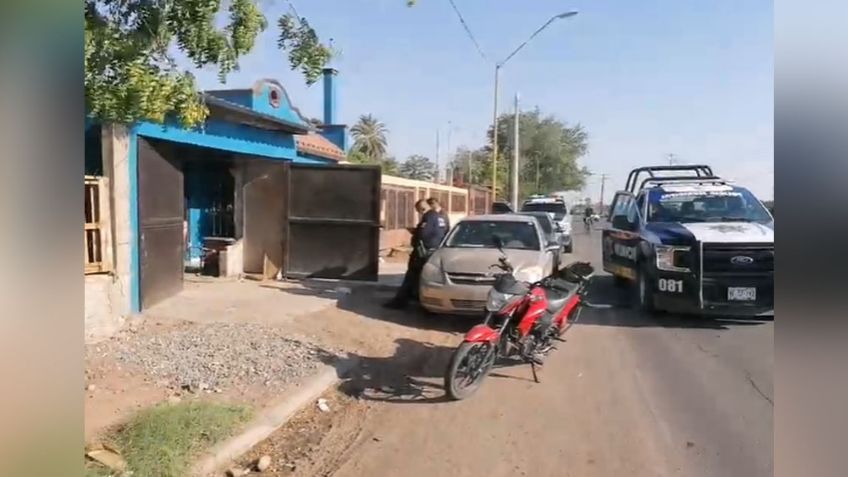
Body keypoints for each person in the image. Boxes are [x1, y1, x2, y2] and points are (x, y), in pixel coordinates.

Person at [384, 199, 432, 309]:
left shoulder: (428, 217)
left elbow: (423, 234)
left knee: (411, 276)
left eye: (418, 210)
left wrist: (414, 233)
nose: (419, 213)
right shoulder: (437, 216)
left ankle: (400, 302)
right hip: (427, 253)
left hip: (420, 253)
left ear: (422, 208)